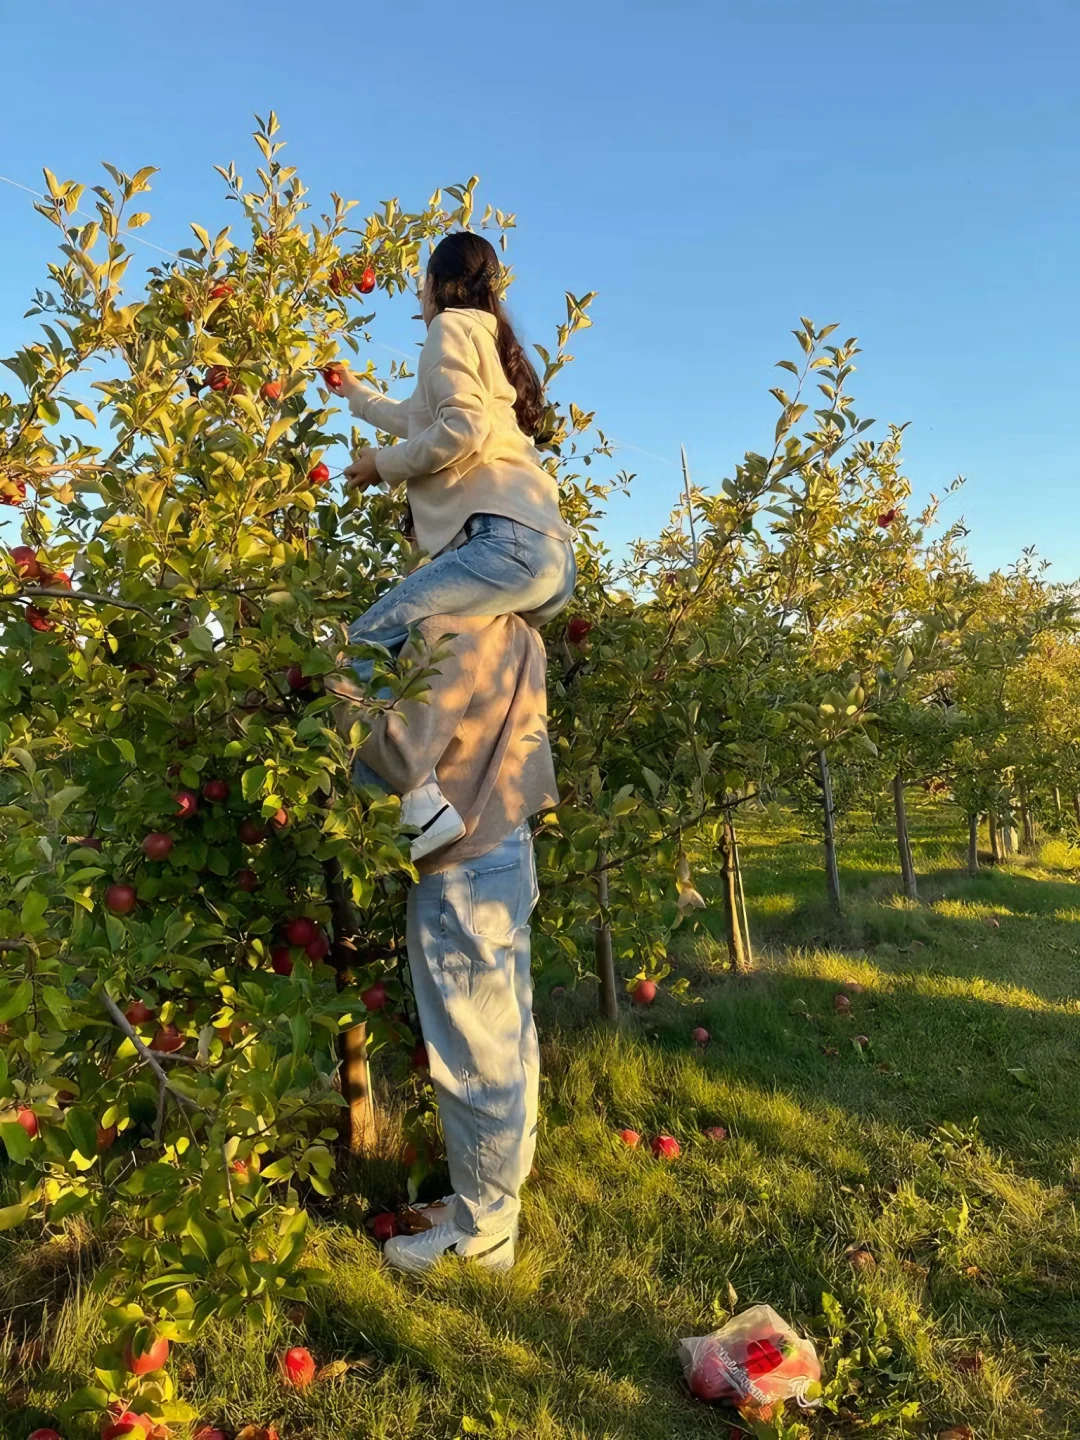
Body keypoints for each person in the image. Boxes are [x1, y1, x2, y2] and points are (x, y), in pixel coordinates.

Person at [325, 231, 575, 863]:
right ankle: (479, 804)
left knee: (360, 648)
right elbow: (424, 420)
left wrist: (383, 467)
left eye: (420, 283)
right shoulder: (485, 339)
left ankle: (416, 801)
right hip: (546, 557)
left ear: (435, 285)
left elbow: (459, 430)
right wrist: (355, 396)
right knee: (439, 647)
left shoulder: (448, 330)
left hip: (502, 543)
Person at [349, 609, 558, 1275]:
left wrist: (342, 688)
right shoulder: (520, 629)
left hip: (461, 860)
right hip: (508, 845)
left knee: (473, 1052)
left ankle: (482, 1236)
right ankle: (492, 1200)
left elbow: (403, 754)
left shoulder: (448, 626)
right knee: (507, 1035)